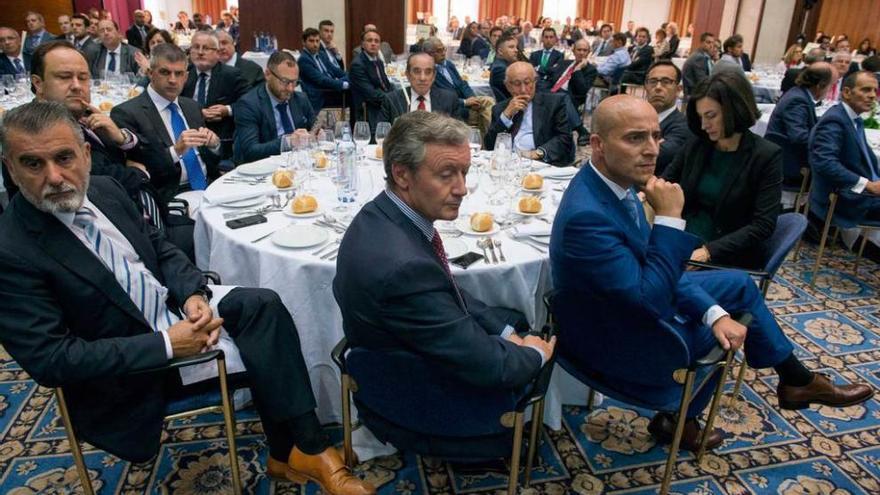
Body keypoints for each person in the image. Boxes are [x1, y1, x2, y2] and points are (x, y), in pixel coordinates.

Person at [0, 101, 375, 495]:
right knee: (266, 343)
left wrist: (193, 292)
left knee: (263, 305)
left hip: (171, 311)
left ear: (86, 153)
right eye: (33, 164)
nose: (55, 176)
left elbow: (159, 248)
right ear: (10, 167)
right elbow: (52, 359)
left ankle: (295, 452)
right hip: (134, 367)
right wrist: (167, 344)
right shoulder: (12, 250)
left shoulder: (104, 190)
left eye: (64, 158)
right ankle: (306, 452)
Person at [550, 94, 873, 451]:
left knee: (736, 285)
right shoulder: (589, 216)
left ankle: (794, 378)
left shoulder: (611, 186)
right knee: (736, 325)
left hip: (626, 301)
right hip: (613, 339)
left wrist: (713, 311)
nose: (652, 149)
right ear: (597, 145)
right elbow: (649, 301)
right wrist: (671, 220)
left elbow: (657, 270)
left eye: (656, 136)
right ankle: (682, 418)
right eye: (635, 138)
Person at [333, 112, 556, 436]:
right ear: (402, 174)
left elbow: (444, 289)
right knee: (535, 341)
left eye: (464, 172)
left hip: (406, 351)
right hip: (422, 394)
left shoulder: (379, 215)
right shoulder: (405, 268)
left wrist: (507, 333)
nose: (462, 189)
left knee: (514, 320)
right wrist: (534, 352)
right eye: (447, 174)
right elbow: (492, 366)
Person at [662, 71, 782, 269]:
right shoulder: (697, 144)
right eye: (700, 117)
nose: (704, 125)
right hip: (684, 239)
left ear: (735, 109)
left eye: (711, 116)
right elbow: (667, 180)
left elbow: (762, 226)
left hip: (726, 253)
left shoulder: (766, 156)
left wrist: (709, 252)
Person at [111, 44, 220, 204]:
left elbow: (210, 161)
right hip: (169, 196)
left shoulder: (191, 106)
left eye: (178, 73)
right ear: (150, 73)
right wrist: (176, 151)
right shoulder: (127, 113)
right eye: (164, 72)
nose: (172, 80)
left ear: (186, 77)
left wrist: (214, 145)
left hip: (210, 188)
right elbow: (140, 171)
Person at [809, 71, 880, 227]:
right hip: (845, 198)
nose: (873, 95)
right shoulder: (835, 120)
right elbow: (825, 163)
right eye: (866, 90)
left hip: (859, 191)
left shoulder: (855, 119)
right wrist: (868, 185)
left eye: (875, 90)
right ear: (847, 92)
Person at [233, 51, 316, 164]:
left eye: (295, 82)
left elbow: (314, 128)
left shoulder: (300, 99)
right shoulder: (248, 104)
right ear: (267, 74)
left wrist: (319, 134)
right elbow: (250, 152)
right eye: (285, 82)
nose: (291, 89)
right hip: (265, 168)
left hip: (298, 164)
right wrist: (287, 142)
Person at [485, 62, 574, 166]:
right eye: (517, 84)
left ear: (535, 82)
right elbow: (490, 145)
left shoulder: (553, 103)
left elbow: (564, 139)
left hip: (540, 163)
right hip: (509, 164)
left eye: (527, 83)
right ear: (508, 86)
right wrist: (506, 116)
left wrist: (538, 153)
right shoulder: (500, 109)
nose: (523, 90)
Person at [180, 31, 250, 161]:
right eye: (196, 47)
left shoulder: (232, 75)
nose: (200, 52)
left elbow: (249, 105)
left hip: (221, 139)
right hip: (187, 137)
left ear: (217, 53)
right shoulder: (183, 74)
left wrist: (227, 110)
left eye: (206, 48)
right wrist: (197, 113)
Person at [766, 63, 833, 187]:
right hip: (790, 164)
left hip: (787, 157)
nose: (829, 90)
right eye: (830, 86)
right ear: (820, 86)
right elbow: (799, 136)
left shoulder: (798, 93)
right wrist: (827, 142)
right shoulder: (797, 100)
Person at [380, 53, 461, 123]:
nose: (422, 78)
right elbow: (380, 135)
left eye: (428, 72)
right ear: (407, 75)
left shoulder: (449, 100)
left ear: (434, 76)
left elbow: (458, 136)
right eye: (417, 71)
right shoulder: (391, 100)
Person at [645, 61, 692, 174]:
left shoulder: (683, 125)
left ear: (678, 89)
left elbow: (659, 155)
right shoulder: (632, 118)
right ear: (646, 86)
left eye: (666, 82)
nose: (658, 87)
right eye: (653, 81)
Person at [349, 29, 392, 131]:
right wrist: (391, 99)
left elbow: (385, 84)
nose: (373, 44)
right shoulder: (358, 64)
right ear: (363, 44)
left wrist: (393, 96)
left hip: (380, 101)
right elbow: (370, 93)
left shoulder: (378, 61)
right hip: (368, 108)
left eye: (376, 41)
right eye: (369, 40)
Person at [298, 27, 348, 112]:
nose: (315, 44)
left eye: (317, 41)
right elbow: (321, 80)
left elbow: (336, 71)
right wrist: (343, 84)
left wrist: (350, 77)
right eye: (311, 41)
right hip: (319, 94)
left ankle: (357, 122)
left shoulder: (322, 55)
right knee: (353, 94)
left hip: (330, 90)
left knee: (355, 88)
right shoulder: (304, 60)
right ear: (303, 42)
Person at [682, 33, 717, 98]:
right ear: (701, 43)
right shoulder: (699, 57)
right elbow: (702, 81)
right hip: (694, 94)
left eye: (712, 43)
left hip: (695, 92)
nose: (711, 45)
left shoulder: (702, 55)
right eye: (708, 42)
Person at [489, 35, 518, 101]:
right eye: (511, 47)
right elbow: (519, 90)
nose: (516, 50)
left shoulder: (504, 65)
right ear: (500, 51)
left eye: (516, 47)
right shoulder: (500, 70)